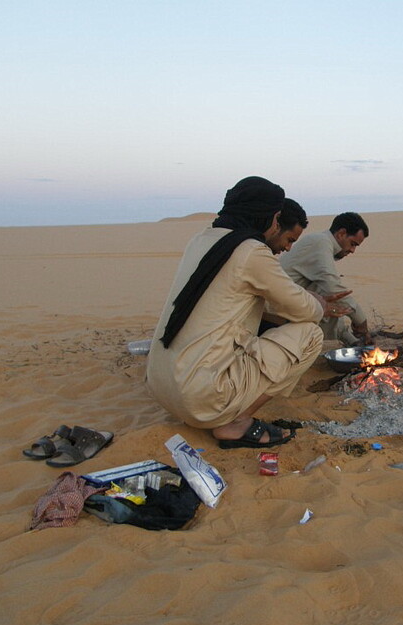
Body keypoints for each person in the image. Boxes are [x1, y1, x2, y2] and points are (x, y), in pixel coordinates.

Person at [146, 177, 348, 449]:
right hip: (199, 398)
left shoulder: (201, 239)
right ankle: (234, 422)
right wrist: (319, 303)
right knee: (310, 334)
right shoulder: (251, 251)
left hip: (162, 387)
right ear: (268, 216)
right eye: (277, 220)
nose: (278, 229)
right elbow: (306, 310)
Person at [279, 211, 374, 345]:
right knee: (329, 295)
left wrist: (353, 341)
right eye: (353, 244)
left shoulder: (321, 242)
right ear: (341, 233)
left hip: (290, 306)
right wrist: (361, 321)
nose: (353, 250)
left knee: (327, 297)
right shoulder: (320, 243)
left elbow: (331, 298)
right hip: (277, 313)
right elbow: (335, 290)